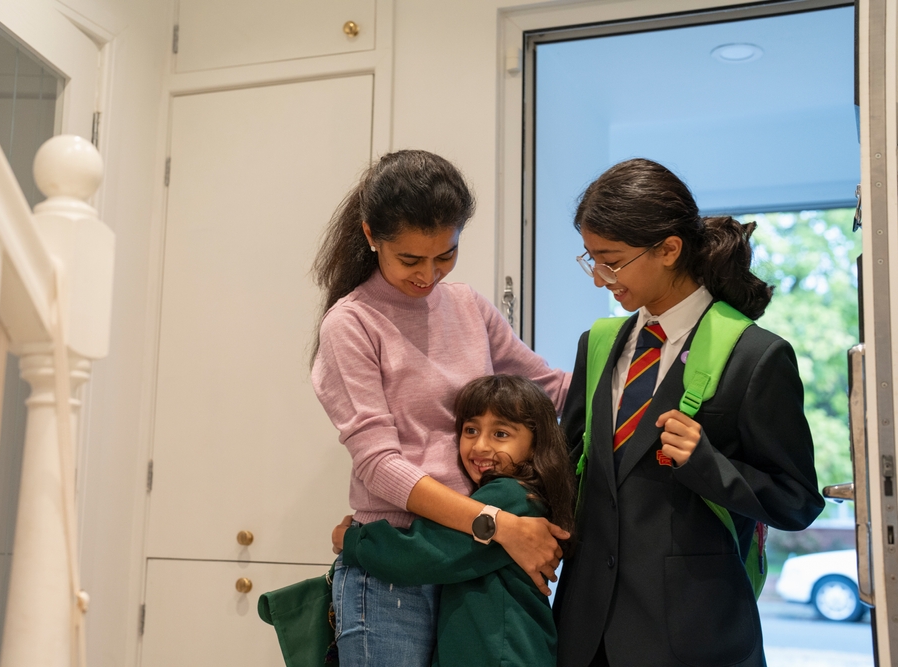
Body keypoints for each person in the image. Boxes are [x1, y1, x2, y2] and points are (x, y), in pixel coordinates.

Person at [554, 158, 825, 667]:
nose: (598, 279)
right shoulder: (598, 344)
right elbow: (566, 469)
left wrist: (708, 464)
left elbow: (797, 501)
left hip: (694, 638)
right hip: (585, 634)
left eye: (610, 261)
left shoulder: (754, 355)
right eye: (590, 259)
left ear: (669, 249)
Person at [311, 149, 571, 667]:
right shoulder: (352, 324)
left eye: (445, 255)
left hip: (470, 552)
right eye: (410, 259)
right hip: (396, 565)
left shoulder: (468, 305)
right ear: (370, 236)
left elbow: (550, 391)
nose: (428, 275)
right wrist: (496, 524)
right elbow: (380, 467)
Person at [331, 375, 574, 667]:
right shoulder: (522, 496)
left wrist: (353, 542)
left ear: (535, 445)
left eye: (501, 434)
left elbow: (423, 552)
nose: (480, 446)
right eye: (470, 430)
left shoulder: (508, 495)